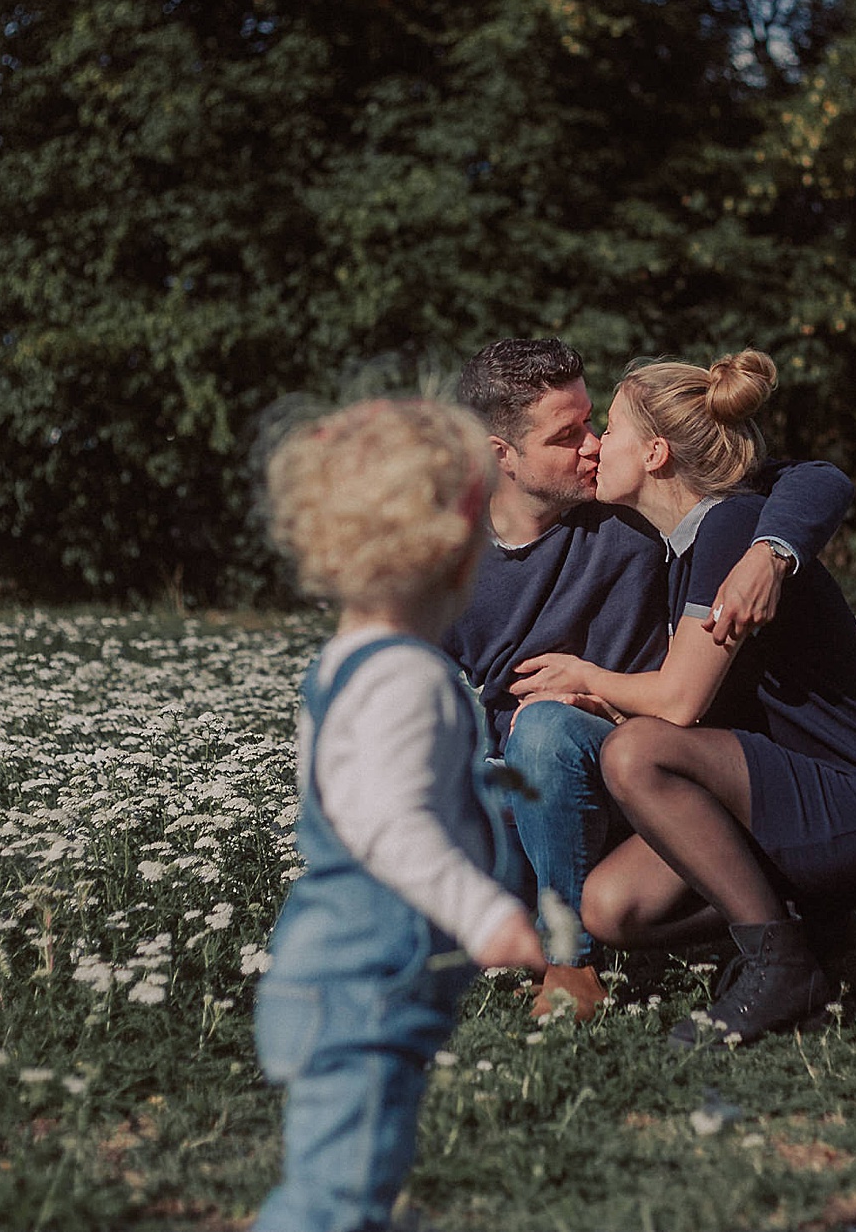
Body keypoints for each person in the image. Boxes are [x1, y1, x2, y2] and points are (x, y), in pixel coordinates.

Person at [510, 350, 856, 1048]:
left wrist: (585, 677)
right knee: (610, 907)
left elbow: (677, 705)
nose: (595, 445)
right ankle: (804, 928)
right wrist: (604, 703)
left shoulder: (733, 527)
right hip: (781, 794)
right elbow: (703, 710)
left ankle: (779, 964)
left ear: (656, 451)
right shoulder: (689, 546)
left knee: (636, 751)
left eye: (609, 429)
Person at [443, 339, 853, 1022]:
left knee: (544, 729)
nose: (596, 445)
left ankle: (569, 965)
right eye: (568, 434)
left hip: (645, 771)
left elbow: (814, 478)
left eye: (594, 423)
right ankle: (786, 915)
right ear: (499, 456)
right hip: (530, 793)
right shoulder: (448, 565)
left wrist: (771, 550)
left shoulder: (630, 511)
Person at [252, 398, 546, 1231]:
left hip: (346, 974)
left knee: (355, 1183)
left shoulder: (347, 662)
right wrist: (485, 913)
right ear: (459, 555)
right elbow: (385, 822)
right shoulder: (409, 679)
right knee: (333, 1203)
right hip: (365, 984)